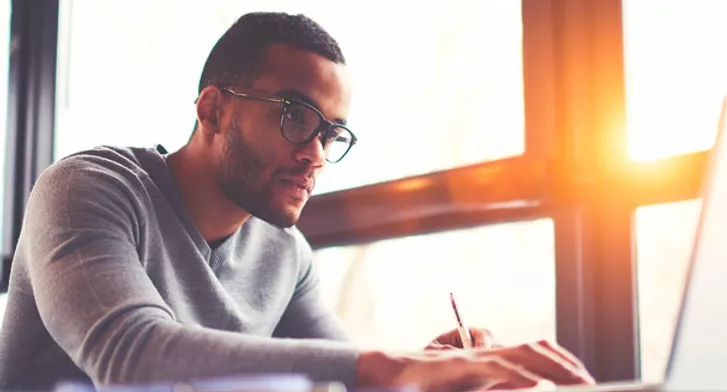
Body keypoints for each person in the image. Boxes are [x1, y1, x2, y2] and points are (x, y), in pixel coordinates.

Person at [0, 12, 595, 392]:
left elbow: (347, 374)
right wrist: (379, 365)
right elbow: (130, 357)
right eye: (294, 116)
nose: (315, 153)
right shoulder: (88, 189)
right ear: (212, 110)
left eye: (331, 134)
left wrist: (424, 368)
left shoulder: (286, 253)